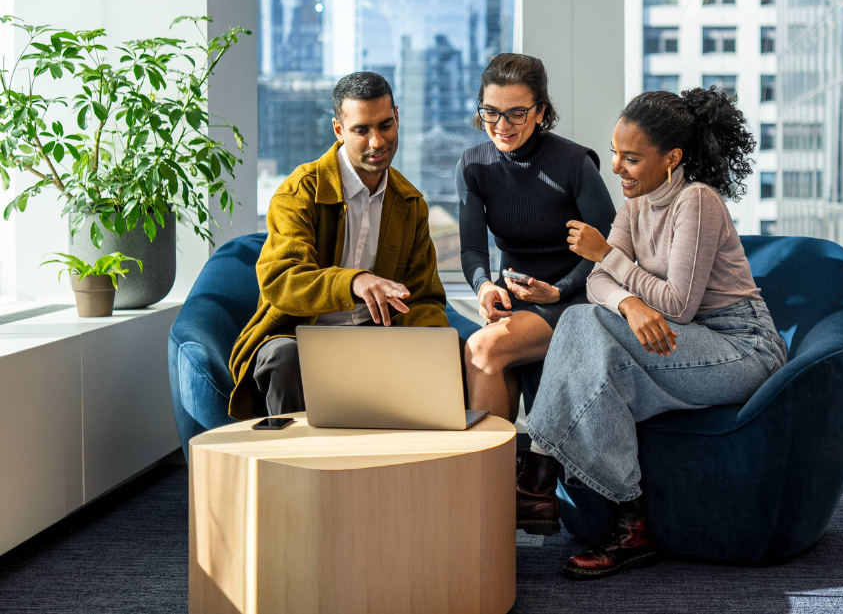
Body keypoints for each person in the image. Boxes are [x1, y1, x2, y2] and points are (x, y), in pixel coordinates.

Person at [517, 87, 789, 580]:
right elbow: (599, 284)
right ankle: (630, 526)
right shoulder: (635, 204)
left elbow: (678, 305)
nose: (617, 168)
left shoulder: (697, 201)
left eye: (632, 159)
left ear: (672, 159)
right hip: (679, 343)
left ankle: (538, 474)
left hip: (740, 347)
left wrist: (611, 259)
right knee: (593, 344)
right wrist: (628, 302)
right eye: (616, 153)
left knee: (584, 322)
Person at [226, 71, 450, 420]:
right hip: (299, 335)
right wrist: (353, 281)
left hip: (376, 338)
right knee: (282, 357)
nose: (377, 141)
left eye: (386, 125)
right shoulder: (299, 191)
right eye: (362, 130)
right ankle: (297, 468)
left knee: (449, 350)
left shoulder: (410, 204)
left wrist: (436, 345)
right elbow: (281, 281)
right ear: (338, 130)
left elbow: (423, 297)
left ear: (397, 118)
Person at [456, 53, 615, 426]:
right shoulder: (473, 165)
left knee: (482, 349)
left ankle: (486, 478)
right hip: (514, 295)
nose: (501, 125)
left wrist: (559, 290)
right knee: (495, 363)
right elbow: (473, 249)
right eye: (490, 112)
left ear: (541, 111)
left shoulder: (575, 163)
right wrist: (482, 287)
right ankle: (503, 476)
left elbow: (609, 249)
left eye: (517, 112)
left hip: (575, 296)